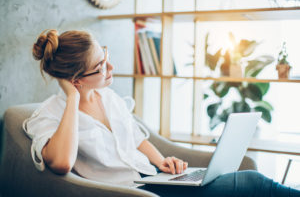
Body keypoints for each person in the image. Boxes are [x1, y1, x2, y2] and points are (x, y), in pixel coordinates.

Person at [23, 29, 300, 197]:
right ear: (76, 80)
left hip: (153, 179)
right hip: (132, 193)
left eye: (105, 56)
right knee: (251, 183)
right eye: (101, 66)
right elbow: (61, 163)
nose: (111, 67)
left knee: (249, 182)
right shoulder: (51, 115)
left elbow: (135, 137)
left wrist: (163, 162)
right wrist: (72, 98)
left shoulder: (108, 97)